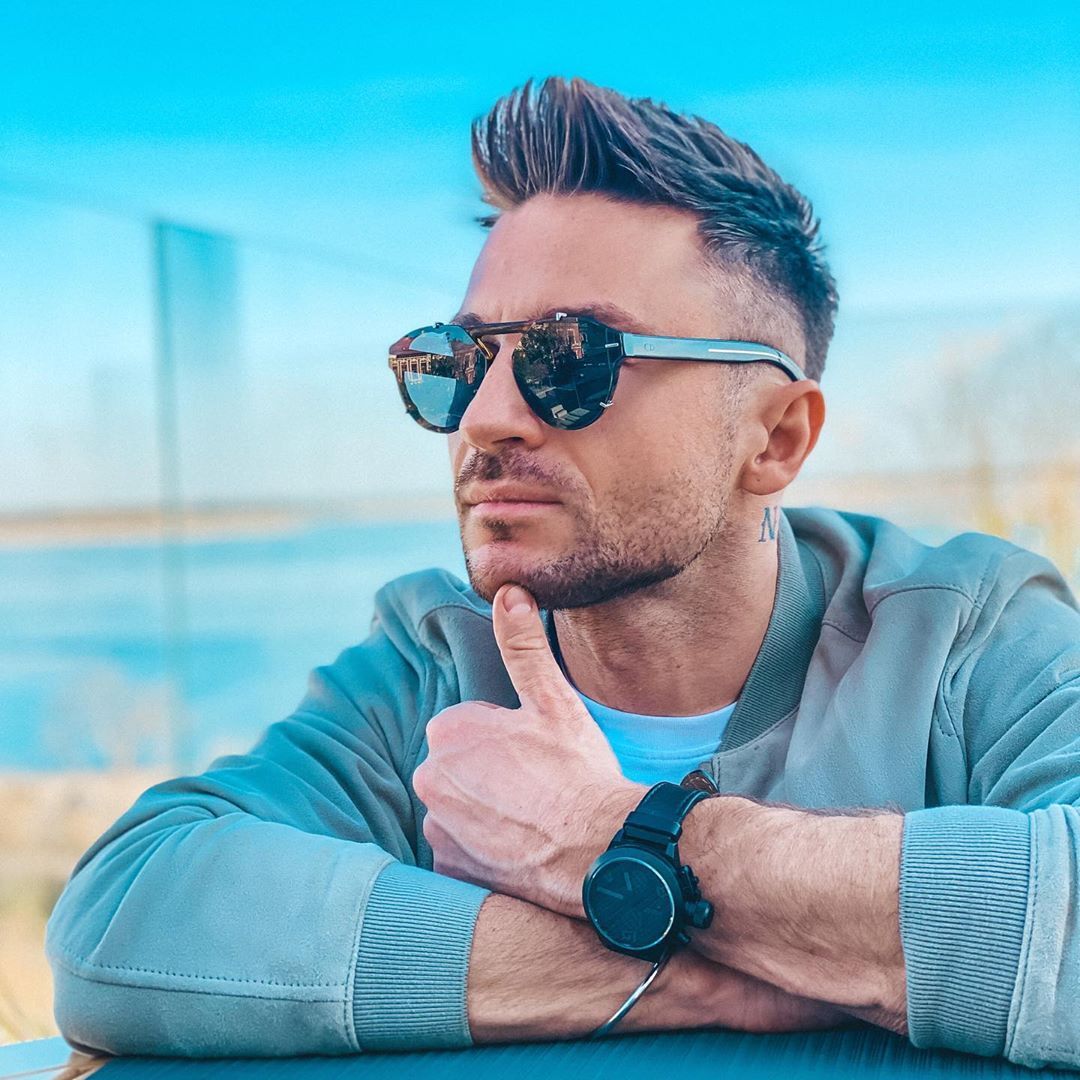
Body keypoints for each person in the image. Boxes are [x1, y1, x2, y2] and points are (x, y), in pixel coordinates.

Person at [46, 76, 1080, 1070]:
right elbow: (127, 917)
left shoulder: (964, 634)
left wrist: (597, 837)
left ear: (774, 438)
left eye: (572, 356)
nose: (487, 418)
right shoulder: (432, 660)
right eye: (459, 361)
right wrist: (702, 972)